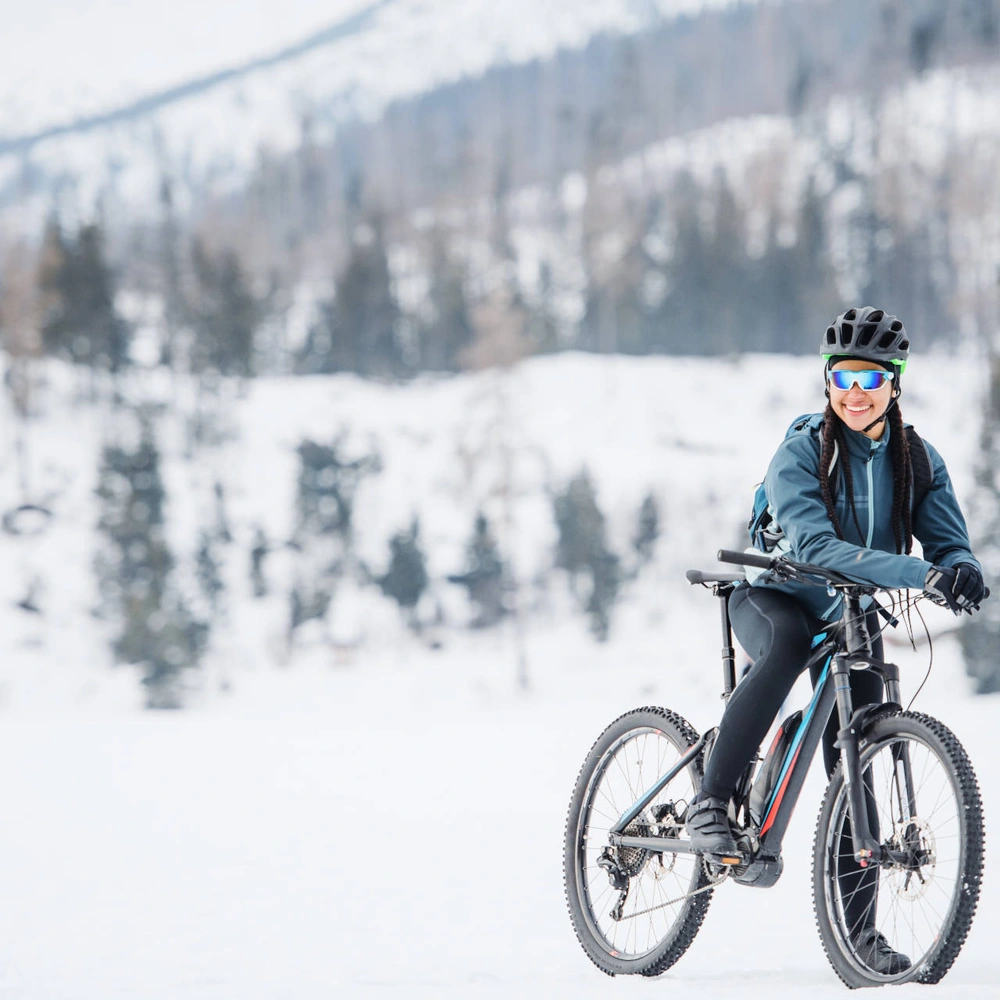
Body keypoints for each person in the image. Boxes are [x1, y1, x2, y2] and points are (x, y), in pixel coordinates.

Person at [684, 307, 987, 973]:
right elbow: (816, 547)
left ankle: (863, 939)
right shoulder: (801, 451)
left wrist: (961, 568)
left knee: (858, 764)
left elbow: (947, 541)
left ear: (895, 385)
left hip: (853, 611)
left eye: (870, 379)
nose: (855, 392)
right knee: (786, 649)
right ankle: (709, 802)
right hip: (776, 594)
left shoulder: (917, 460)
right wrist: (918, 573)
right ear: (827, 381)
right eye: (843, 376)